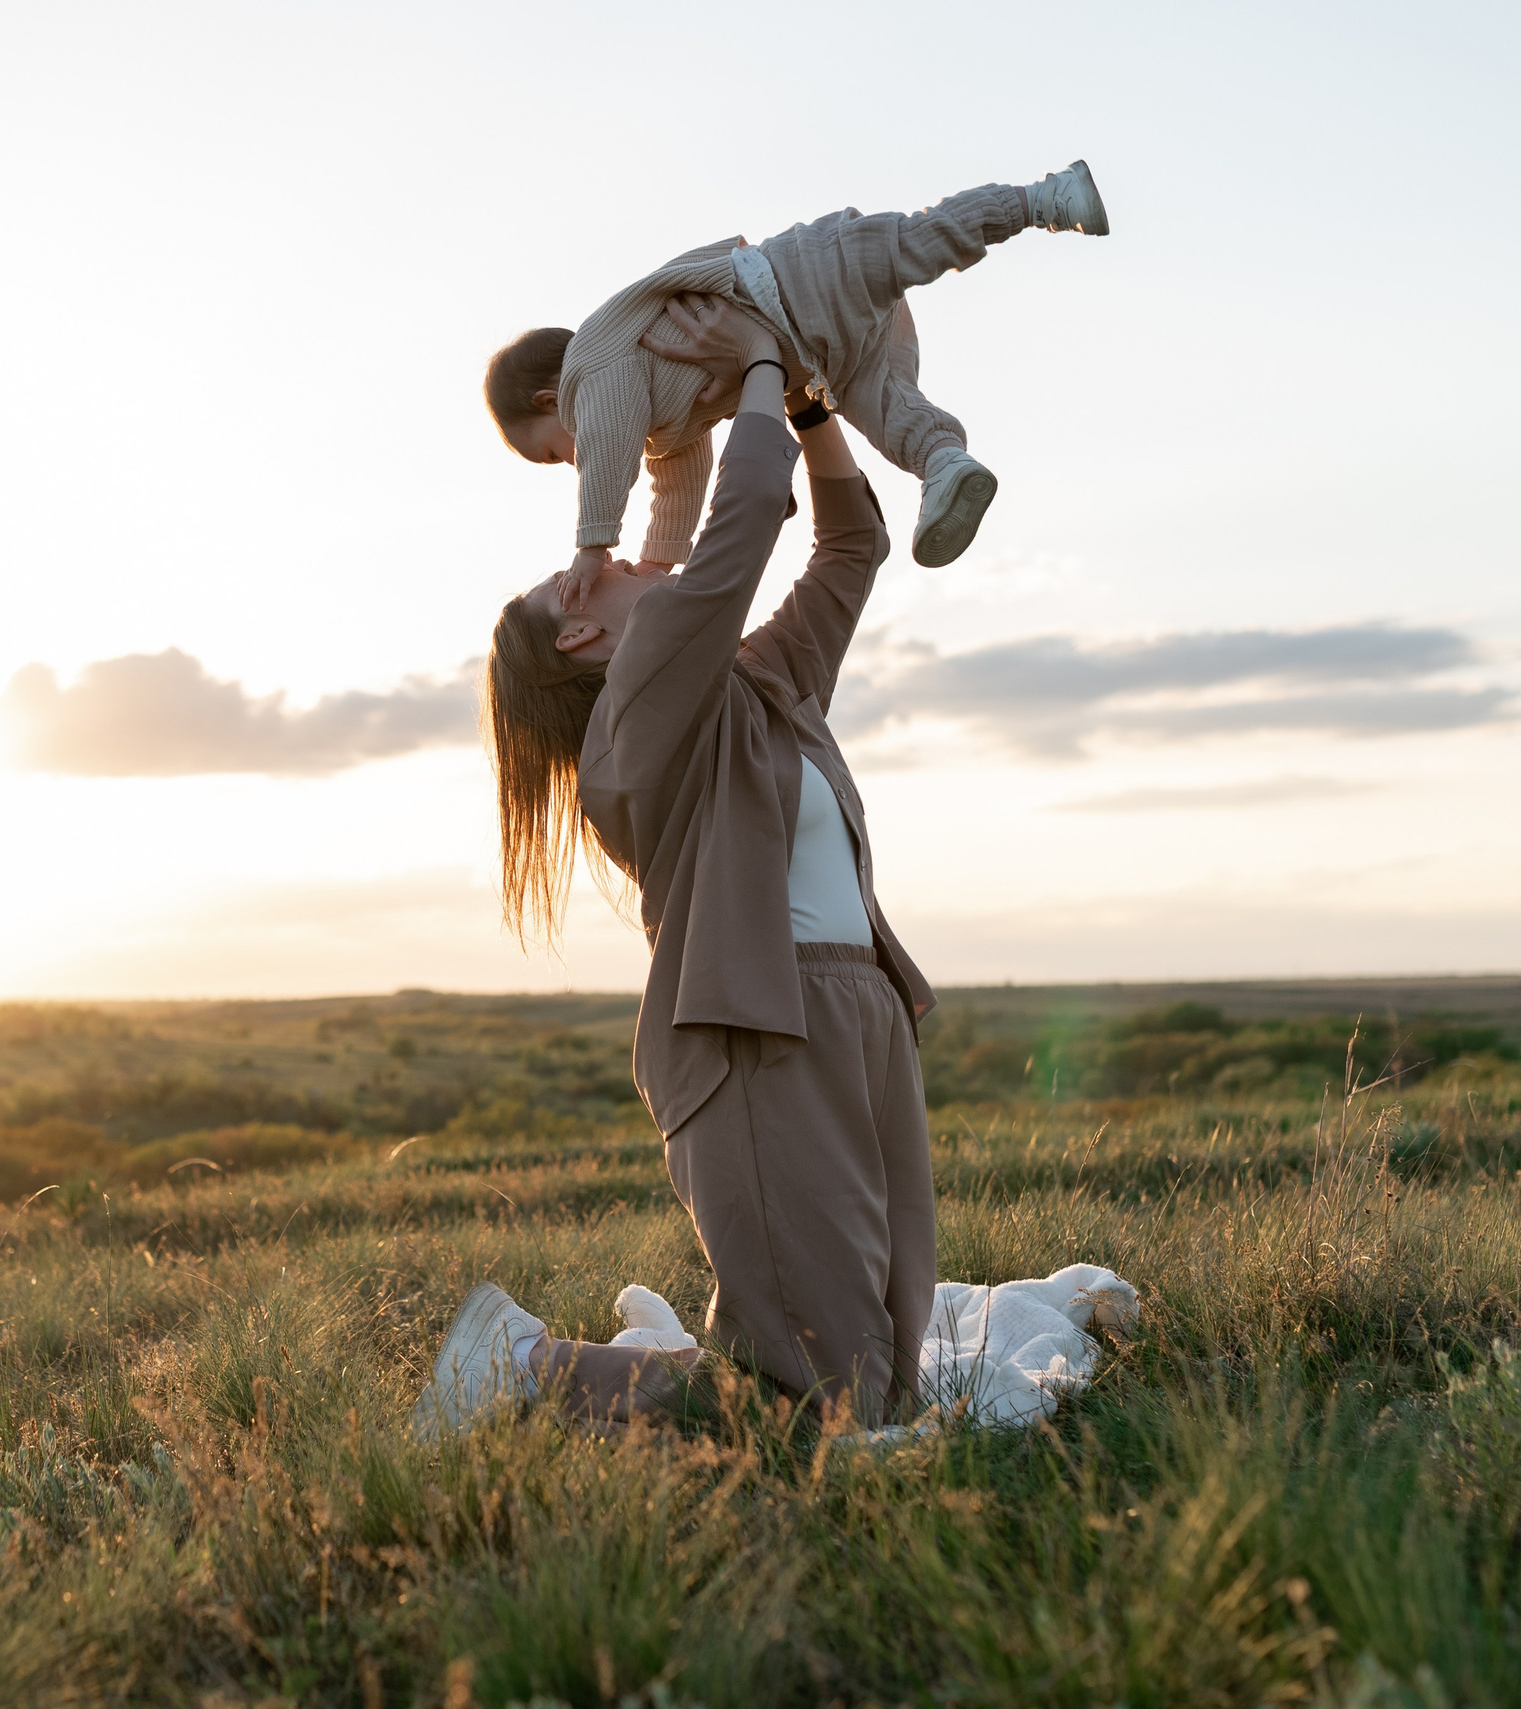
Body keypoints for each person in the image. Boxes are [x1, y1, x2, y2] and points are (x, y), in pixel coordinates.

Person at [417, 296, 938, 1438]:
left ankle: (592, 1366)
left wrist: (810, 407)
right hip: (758, 1037)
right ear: (580, 636)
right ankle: (524, 1363)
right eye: (580, 574)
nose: (605, 557)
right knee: (829, 1408)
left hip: (861, 1010)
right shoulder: (633, 728)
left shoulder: (757, 682)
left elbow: (850, 549)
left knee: (891, 1378)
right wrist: (755, 358)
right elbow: (739, 527)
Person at [483, 164, 1107, 595]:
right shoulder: (662, 428)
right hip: (815, 356)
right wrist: (656, 561)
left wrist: (593, 546)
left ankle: (1040, 200)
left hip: (795, 278)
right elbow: (678, 481)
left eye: (552, 453)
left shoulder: (593, 366)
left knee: (917, 243)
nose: (571, 461)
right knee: (883, 406)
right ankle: (944, 464)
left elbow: (606, 443)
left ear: (549, 398)